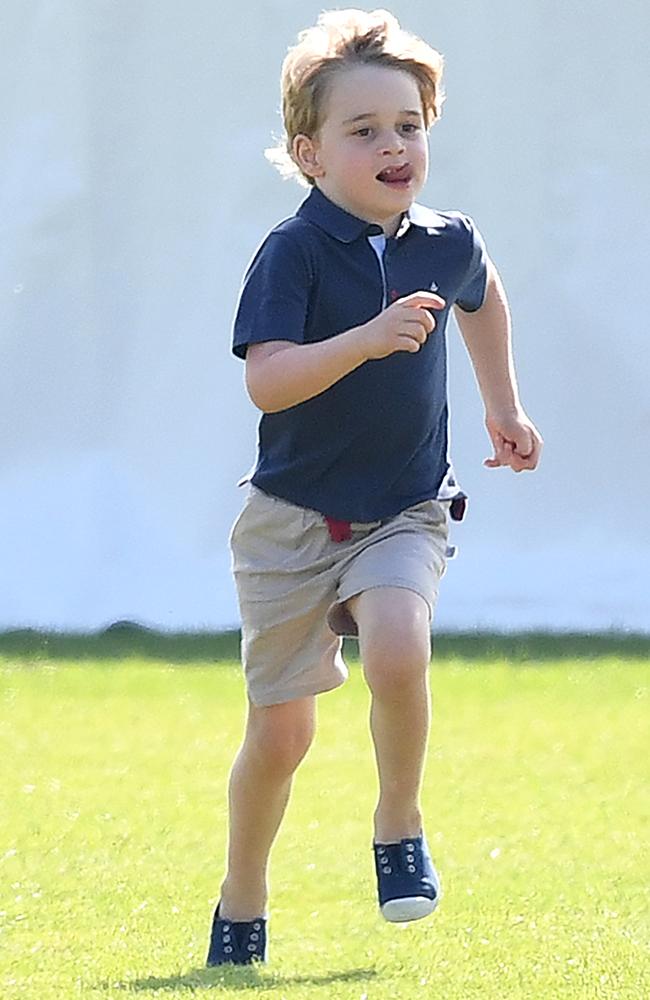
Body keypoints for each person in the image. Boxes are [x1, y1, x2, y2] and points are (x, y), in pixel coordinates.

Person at [206, 8, 542, 966]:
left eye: (409, 125)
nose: (394, 145)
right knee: (281, 737)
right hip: (289, 522)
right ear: (309, 154)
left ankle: (399, 829)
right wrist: (363, 340)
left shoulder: (444, 238)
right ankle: (242, 900)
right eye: (365, 132)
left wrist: (503, 408)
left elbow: (482, 292)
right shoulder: (294, 251)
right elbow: (267, 379)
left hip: (403, 505)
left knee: (400, 643)